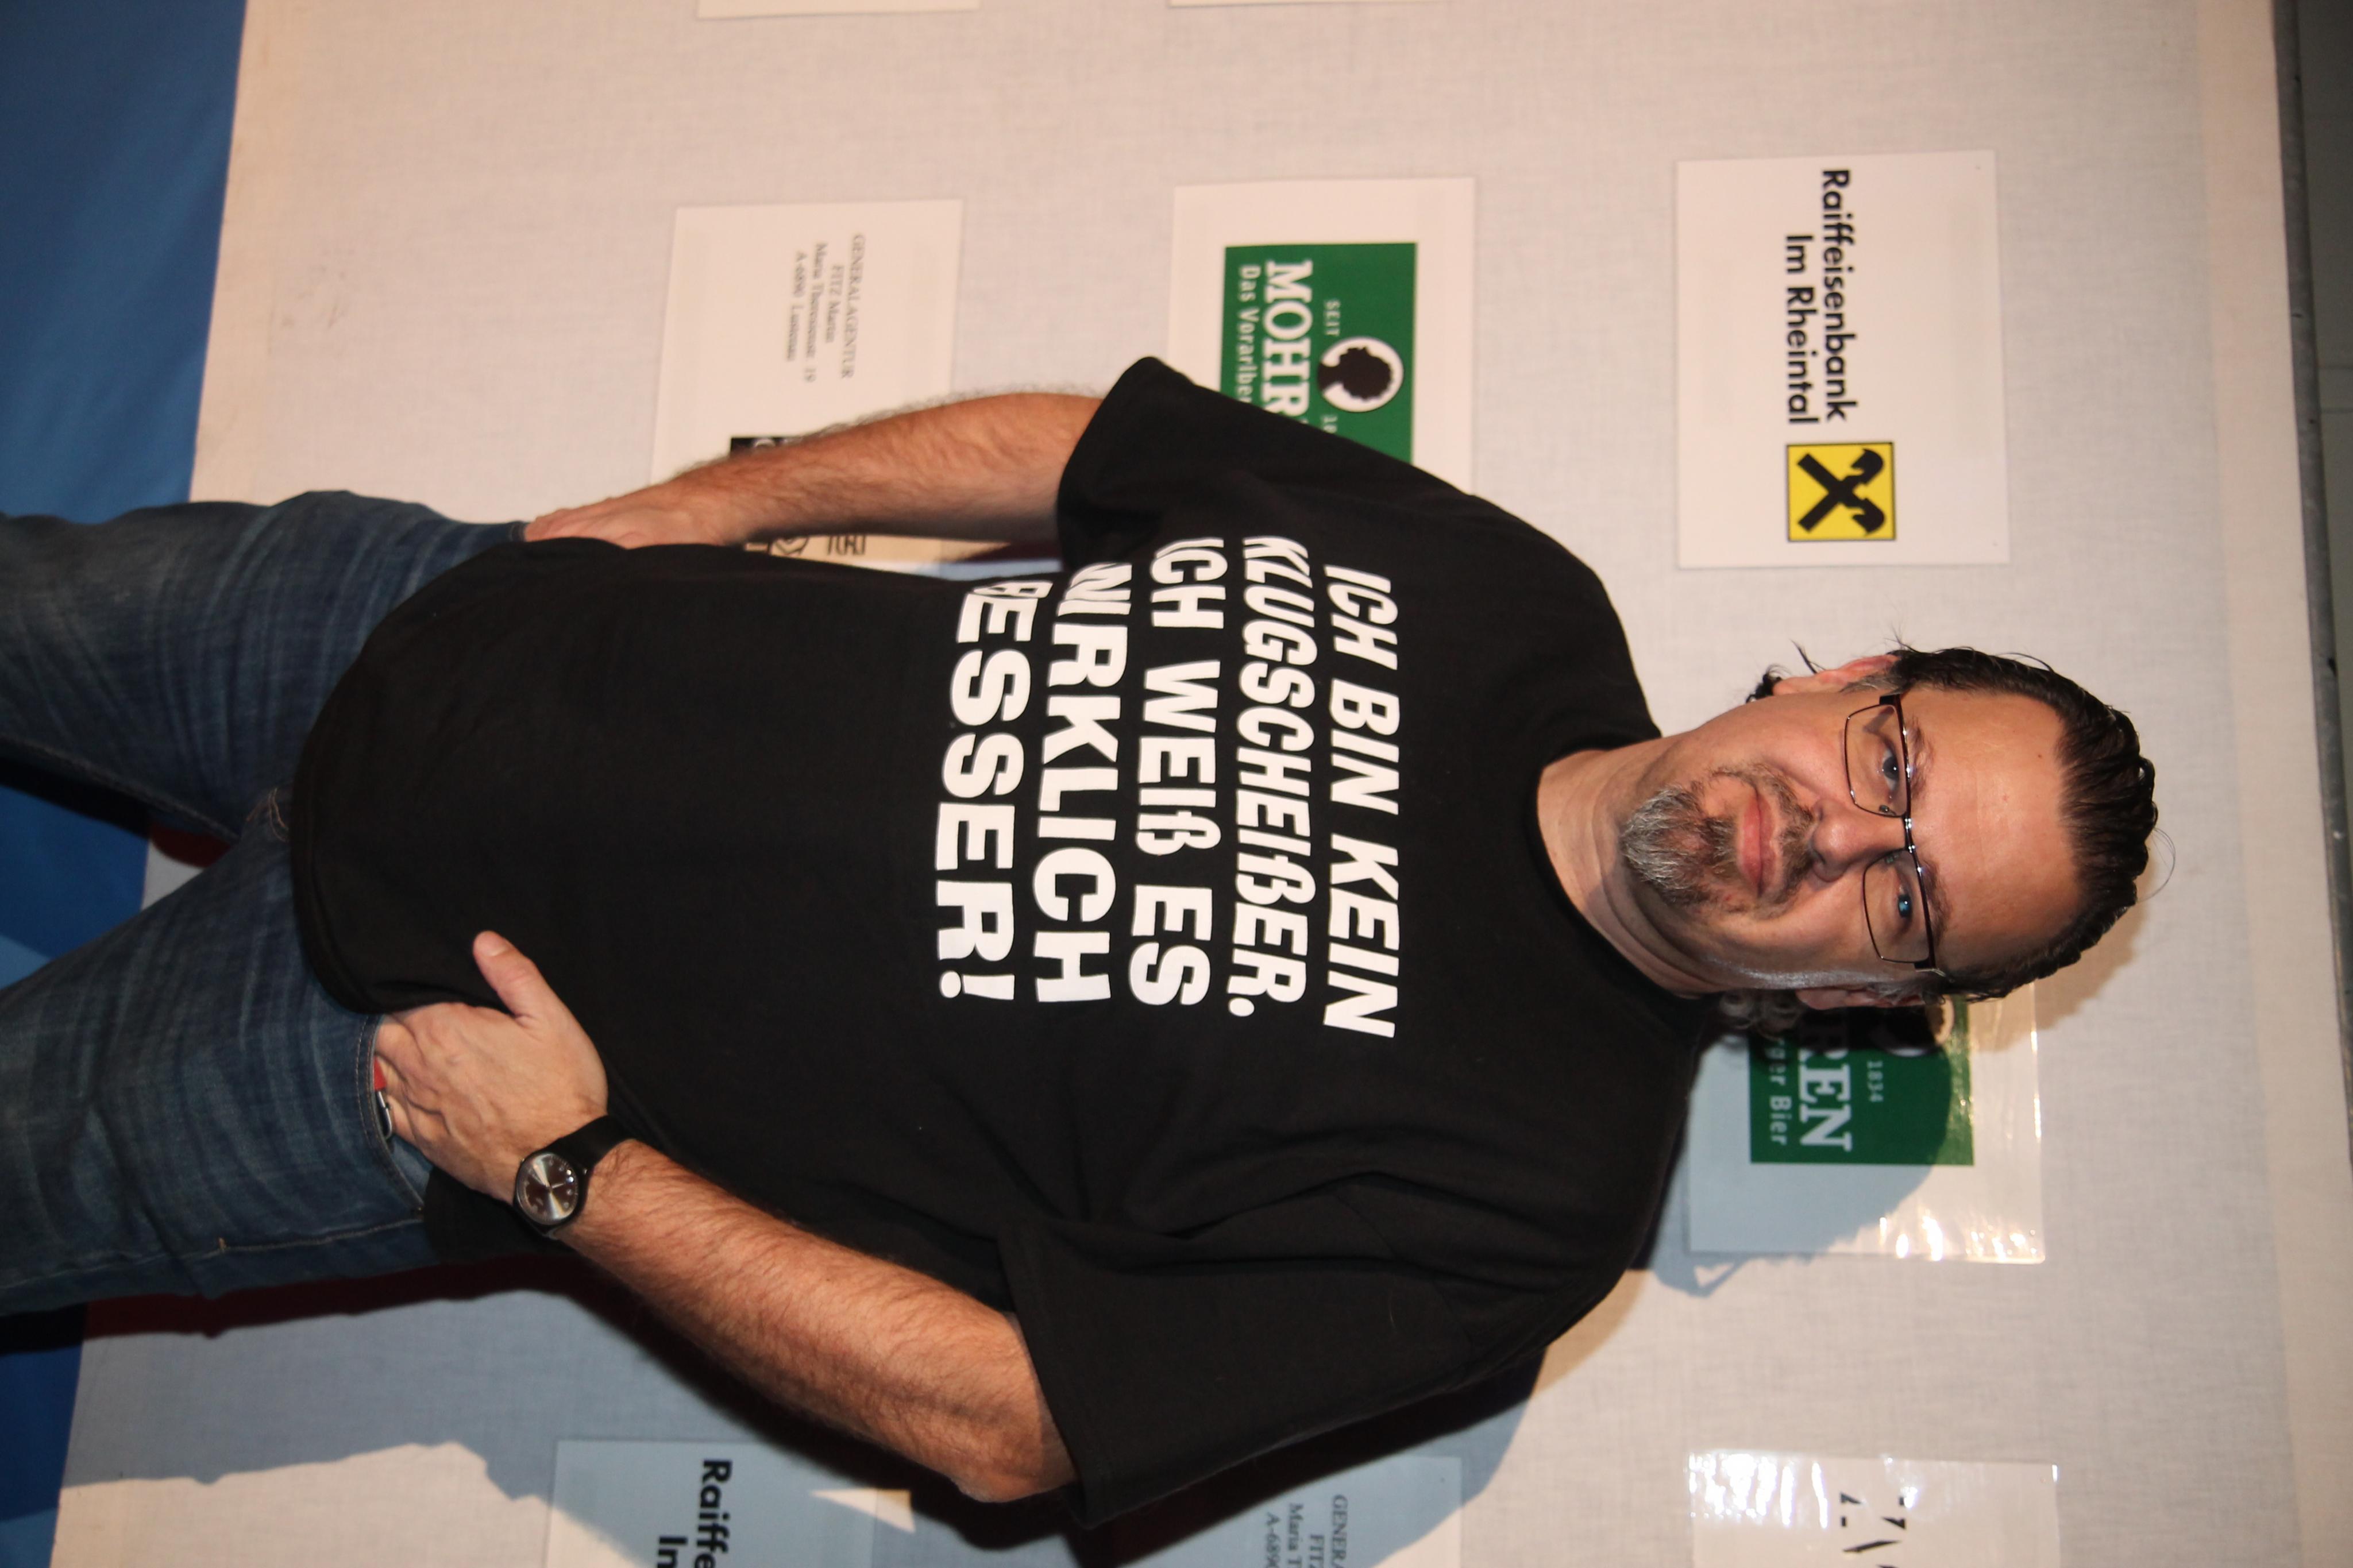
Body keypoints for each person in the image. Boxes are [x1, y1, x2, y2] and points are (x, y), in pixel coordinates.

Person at [0, 358, 2155, 1521]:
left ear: (1866, 992)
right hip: (423, 621)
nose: (1830, 830)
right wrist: (697, 505)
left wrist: (571, 1170)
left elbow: (1018, 1421)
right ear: (1848, 672)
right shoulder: (1522, 596)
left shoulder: (1532, 1204)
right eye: (1891, 754)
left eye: (1904, 891)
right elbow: (1099, 454)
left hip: (381, 1056)